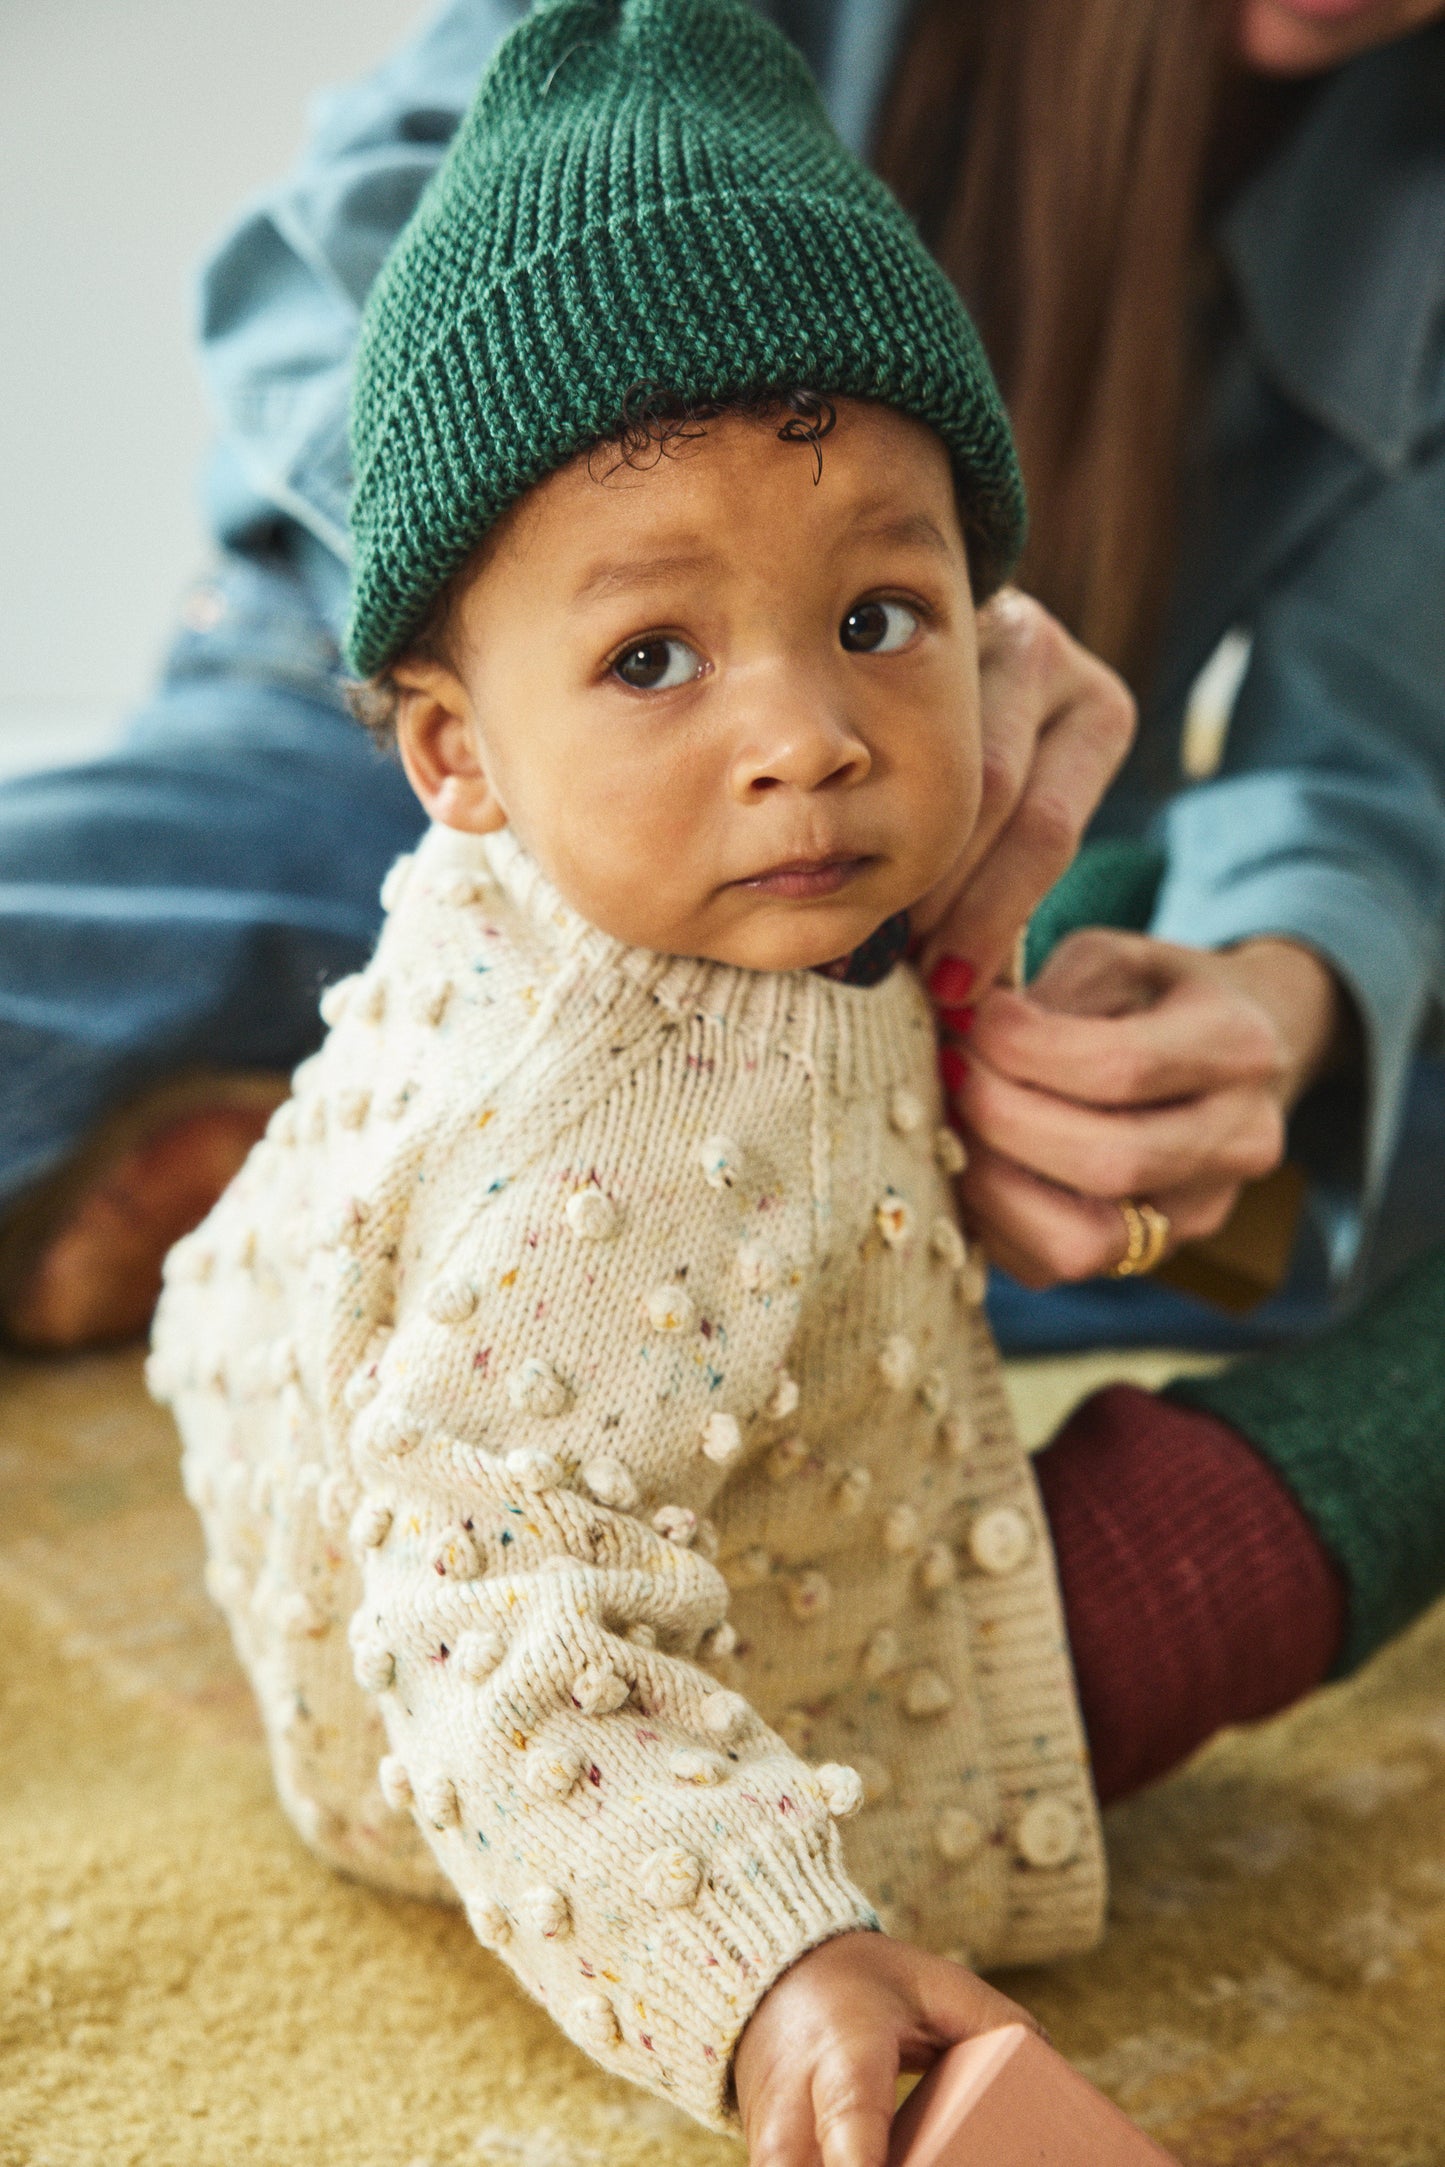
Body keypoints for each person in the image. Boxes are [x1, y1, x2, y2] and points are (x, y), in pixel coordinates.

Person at [147, 10, 1445, 2165]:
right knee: (1336, 1475)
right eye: (657, 654)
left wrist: (1259, 996)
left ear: (998, 615)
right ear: (451, 754)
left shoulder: (759, 850)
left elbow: (1369, 769)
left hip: (647, 1390)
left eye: (881, 616)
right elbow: (498, 1611)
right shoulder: (617, 1131)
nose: (808, 738)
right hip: (665, 1729)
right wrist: (764, 1972)